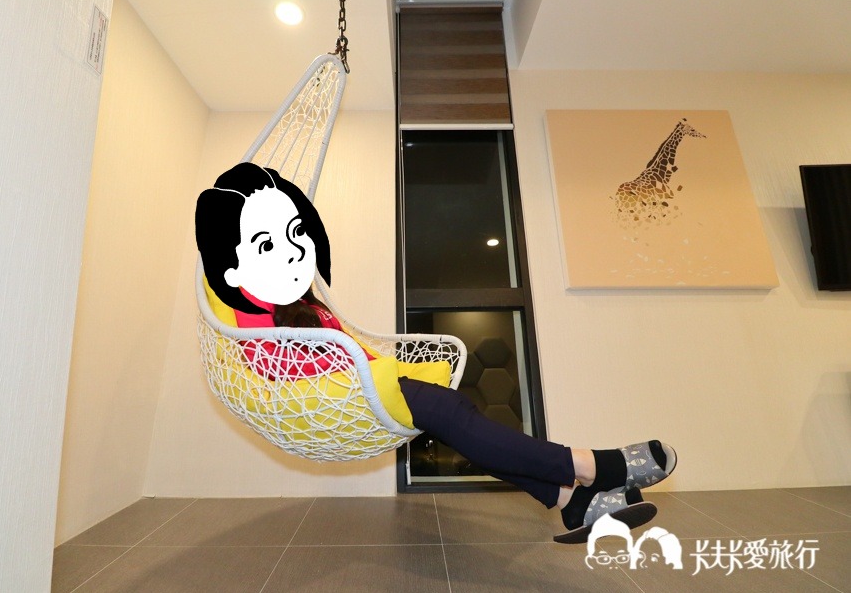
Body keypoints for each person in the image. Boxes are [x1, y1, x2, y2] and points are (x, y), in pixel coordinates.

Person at [195, 162, 678, 543]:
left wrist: (370, 360)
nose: (290, 250)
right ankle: (591, 466)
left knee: (458, 423)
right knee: (453, 414)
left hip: (363, 385)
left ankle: (569, 500)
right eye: (266, 243)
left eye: (294, 233)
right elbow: (267, 350)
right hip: (334, 395)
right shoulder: (246, 301)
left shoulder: (303, 300)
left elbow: (345, 343)